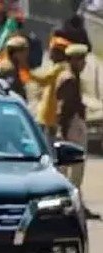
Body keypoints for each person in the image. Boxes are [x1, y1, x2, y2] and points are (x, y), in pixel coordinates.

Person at [56, 43, 99, 218]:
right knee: (74, 170)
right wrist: (64, 131)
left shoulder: (72, 77)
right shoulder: (69, 79)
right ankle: (72, 207)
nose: (83, 63)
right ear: (72, 60)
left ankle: (77, 205)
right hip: (72, 127)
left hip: (74, 125)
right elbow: (64, 108)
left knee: (74, 170)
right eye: (80, 59)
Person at [34, 36, 71, 142]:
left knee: (46, 140)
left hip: (50, 113)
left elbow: (45, 79)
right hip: (47, 111)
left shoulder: (60, 67)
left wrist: (27, 73)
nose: (49, 53)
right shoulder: (56, 66)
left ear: (60, 53)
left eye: (52, 50)